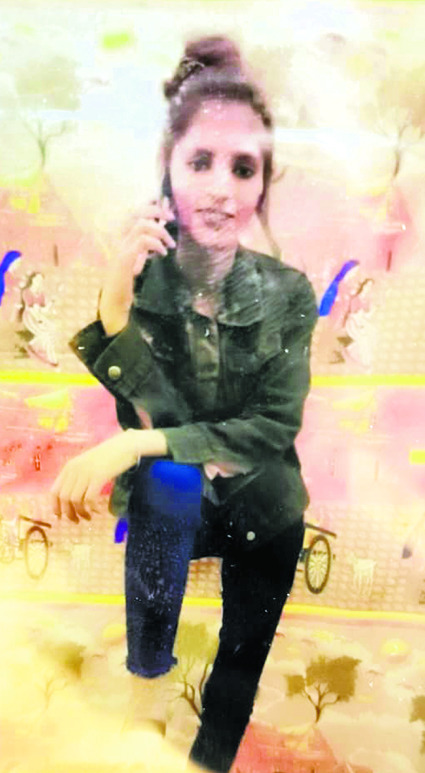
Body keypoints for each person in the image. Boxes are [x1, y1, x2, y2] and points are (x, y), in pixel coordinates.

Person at [51, 36, 318, 773]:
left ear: (262, 184)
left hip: (265, 506)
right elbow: (163, 425)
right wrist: (115, 309)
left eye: (243, 168)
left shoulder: (289, 292)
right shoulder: (143, 283)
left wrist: (130, 445)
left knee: (237, 666)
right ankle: (145, 695)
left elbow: (268, 428)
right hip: (179, 510)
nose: (221, 189)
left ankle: (208, 762)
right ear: (167, 171)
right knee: (167, 478)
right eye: (200, 162)